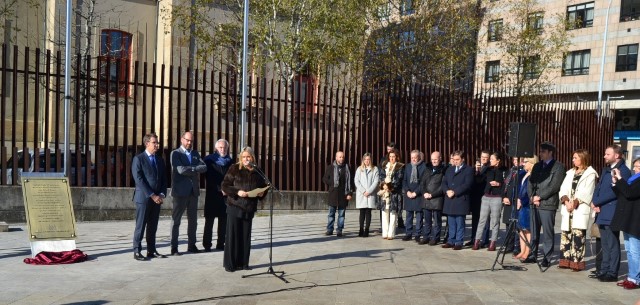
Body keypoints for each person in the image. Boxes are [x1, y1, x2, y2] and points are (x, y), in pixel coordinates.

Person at [221, 146, 269, 272]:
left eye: (248, 156)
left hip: (249, 208)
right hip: (235, 206)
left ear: (252, 157)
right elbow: (225, 186)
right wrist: (237, 192)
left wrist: (261, 193)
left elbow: (264, 186)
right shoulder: (234, 168)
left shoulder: (257, 171)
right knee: (233, 236)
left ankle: (243, 263)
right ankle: (230, 265)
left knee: (245, 237)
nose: (246, 159)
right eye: (244, 157)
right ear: (240, 158)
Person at [591, 145, 631, 281]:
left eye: (607, 154)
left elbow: (615, 192)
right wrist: (594, 201)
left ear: (617, 155)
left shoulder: (623, 171)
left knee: (612, 243)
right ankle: (604, 269)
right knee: (604, 244)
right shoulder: (606, 170)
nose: (604, 156)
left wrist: (598, 202)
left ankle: (612, 272)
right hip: (601, 210)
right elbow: (599, 187)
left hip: (612, 210)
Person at [558, 149, 597, 271]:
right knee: (566, 234)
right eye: (573, 157)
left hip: (579, 208)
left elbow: (587, 192)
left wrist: (574, 203)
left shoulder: (590, 173)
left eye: (575, 158)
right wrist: (565, 201)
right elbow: (563, 187)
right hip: (568, 207)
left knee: (578, 236)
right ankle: (565, 260)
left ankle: (577, 262)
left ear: (583, 158)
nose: (573, 160)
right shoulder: (570, 172)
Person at [169, 131, 208, 255]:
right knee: (176, 220)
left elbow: (204, 167)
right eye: (187, 140)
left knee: (193, 221)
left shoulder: (195, 153)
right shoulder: (175, 153)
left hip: (193, 192)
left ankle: (192, 245)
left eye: (191, 141)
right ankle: (174, 247)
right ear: (182, 139)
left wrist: (191, 168)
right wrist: (194, 169)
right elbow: (180, 170)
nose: (189, 143)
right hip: (179, 192)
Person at [528, 141, 565, 267]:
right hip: (534, 203)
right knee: (534, 230)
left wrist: (540, 196)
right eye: (540, 151)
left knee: (548, 232)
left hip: (548, 204)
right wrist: (532, 197)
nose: (541, 154)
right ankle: (532, 254)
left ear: (550, 153)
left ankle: (547, 257)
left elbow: (554, 186)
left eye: (543, 151)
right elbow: (530, 181)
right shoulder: (537, 166)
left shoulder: (558, 167)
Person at [131, 132, 167, 261]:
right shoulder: (139, 159)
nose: (157, 145)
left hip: (157, 199)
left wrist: (162, 194)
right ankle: (137, 250)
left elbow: (164, 178)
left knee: (153, 226)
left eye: (157, 143)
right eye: (154, 143)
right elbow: (139, 179)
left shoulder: (159, 159)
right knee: (141, 225)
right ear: (147, 144)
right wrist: (152, 195)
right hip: (144, 198)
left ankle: (151, 250)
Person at [611, 158, 640, 290]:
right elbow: (623, 194)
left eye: (638, 167)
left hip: (635, 220)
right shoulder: (633, 179)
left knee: (635, 251)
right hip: (628, 218)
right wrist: (616, 183)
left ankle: (636, 278)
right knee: (629, 249)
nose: (635, 169)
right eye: (634, 166)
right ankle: (631, 276)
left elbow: (630, 193)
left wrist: (621, 179)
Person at [202, 139, 233, 252]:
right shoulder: (209, 160)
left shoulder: (230, 162)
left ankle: (221, 243)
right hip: (212, 194)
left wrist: (227, 189)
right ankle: (207, 244)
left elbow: (232, 178)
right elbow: (208, 178)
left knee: (223, 220)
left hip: (225, 196)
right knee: (209, 221)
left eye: (224, 147)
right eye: (220, 147)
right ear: (216, 148)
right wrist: (220, 188)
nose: (222, 149)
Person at [473, 151, 508, 251]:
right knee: (482, 220)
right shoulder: (488, 169)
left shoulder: (504, 170)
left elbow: (506, 183)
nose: (490, 160)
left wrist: (499, 184)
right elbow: (479, 180)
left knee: (495, 221)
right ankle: (477, 241)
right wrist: (477, 170)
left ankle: (493, 243)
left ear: (498, 160)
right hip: (486, 196)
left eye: (492, 159)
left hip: (497, 197)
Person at [442, 150, 474, 250]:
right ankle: (451, 240)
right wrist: (447, 191)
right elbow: (444, 182)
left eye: (457, 159)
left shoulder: (468, 170)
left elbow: (467, 184)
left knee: (459, 222)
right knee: (451, 221)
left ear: (463, 159)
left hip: (460, 199)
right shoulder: (450, 169)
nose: (455, 161)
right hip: (450, 198)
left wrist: (455, 192)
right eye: (454, 159)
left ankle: (459, 242)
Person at [322, 151, 353, 237]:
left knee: (341, 214)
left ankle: (339, 230)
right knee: (331, 214)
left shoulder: (347, 167)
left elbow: (350, 182)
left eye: (342, 157)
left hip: (343, 194)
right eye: (340, 157)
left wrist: (349, 193)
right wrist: (332, 182)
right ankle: (330, 229)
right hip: (333, 194)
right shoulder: (330, 167)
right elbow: (324, 179)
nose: (341, 159)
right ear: (336, 158)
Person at [419, 151, 446, 245]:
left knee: (437, 221)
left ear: (440, 158)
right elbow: (422, 183)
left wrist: (432, 195)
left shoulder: (444, 170)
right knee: (427, 220)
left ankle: (435, 237)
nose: (434, 161)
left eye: (436, 159)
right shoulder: (427, 169)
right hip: (426, 198)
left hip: (436, 199)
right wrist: (425, 192)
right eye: (432, 159)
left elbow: (443, 186)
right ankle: (426, 236)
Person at [514, 155, 536, 262]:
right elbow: (521, 189)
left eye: (526, 162)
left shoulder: (533, 175)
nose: (523, 163)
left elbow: (529, 192)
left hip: (527, 206)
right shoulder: (524, 173)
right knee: (521, 229)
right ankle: (522, 251)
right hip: (521, 205)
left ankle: (527, 251)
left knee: (527, 230)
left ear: (532, 163)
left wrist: (522, 201)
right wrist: (518, 199)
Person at [378, 149, 404, 240]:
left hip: (394, 193)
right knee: (384, 212)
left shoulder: (400, 166)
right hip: (384, 193)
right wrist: (383, 185)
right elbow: (381, 176)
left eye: (393, 156)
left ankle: (391, 233)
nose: (392, 158)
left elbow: (399, 179)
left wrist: (390, 187)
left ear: (397, 157)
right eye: (390, 156)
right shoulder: (385, 165)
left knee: (393, 213)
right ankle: (384, 233)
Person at [402, 150, 427, 242]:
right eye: (412, 158)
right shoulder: (408, 166)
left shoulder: (423, 167)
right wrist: (407, 191)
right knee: (409, 215)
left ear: (419, 157)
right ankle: (408, 233)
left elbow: (423, 183)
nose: (413, 159)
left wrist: (415, 193)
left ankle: (418, 234)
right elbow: (404, 181)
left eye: (415, 158)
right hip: (409, 194)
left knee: (419, 216)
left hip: (418, 195)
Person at [354, 153, 379, 237]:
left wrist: (369, 191)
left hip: (370, 194)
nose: (367, 161)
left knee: (368, 212)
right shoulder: (359, 169)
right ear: (363, 160)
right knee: (362, 212)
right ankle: (361, 229)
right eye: (365, 159)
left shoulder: (375, 169)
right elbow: (356, 181)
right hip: (362, 194)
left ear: (370, 160)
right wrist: (363, 191)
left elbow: (376, 181)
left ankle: (367, 229)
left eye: (368, 159)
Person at [469, 150, 491, 247]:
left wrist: (478, 172)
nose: (483, 158)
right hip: (475, 197)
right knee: (475, 219)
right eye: (482, 156)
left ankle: (485, 240)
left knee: (485, 219)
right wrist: (476, 171)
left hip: (484, 195)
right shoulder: (474, 168)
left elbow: (481, 180)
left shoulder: (490, 169)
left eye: (486, 157)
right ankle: (473, 238)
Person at [502, 156, 523, 255]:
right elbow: (504, 185)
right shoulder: (510, 171)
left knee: (516, 225)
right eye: (514, 160)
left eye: (517, 160)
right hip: (508, 201)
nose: (515, 162)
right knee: (508, 224)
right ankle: (508, 245)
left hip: (516, 201)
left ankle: (516, 246)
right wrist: (504, 197)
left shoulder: (522, 172)